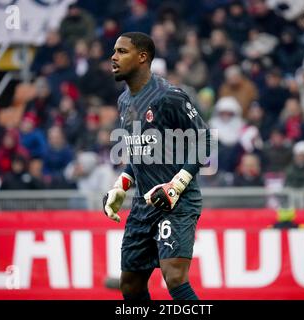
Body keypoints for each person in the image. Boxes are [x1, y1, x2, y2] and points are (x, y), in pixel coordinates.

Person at [103, 32, 210, 300]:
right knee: (130, 284)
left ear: (142, 57)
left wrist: (178, 184)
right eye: (114, 51)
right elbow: (138, 154)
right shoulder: (124, 101)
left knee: (174, 276)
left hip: (177, 202)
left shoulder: (170, 96)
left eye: (121, 51)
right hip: (142, 205)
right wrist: (121, 185)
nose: (113, 57)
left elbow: (206, 139)